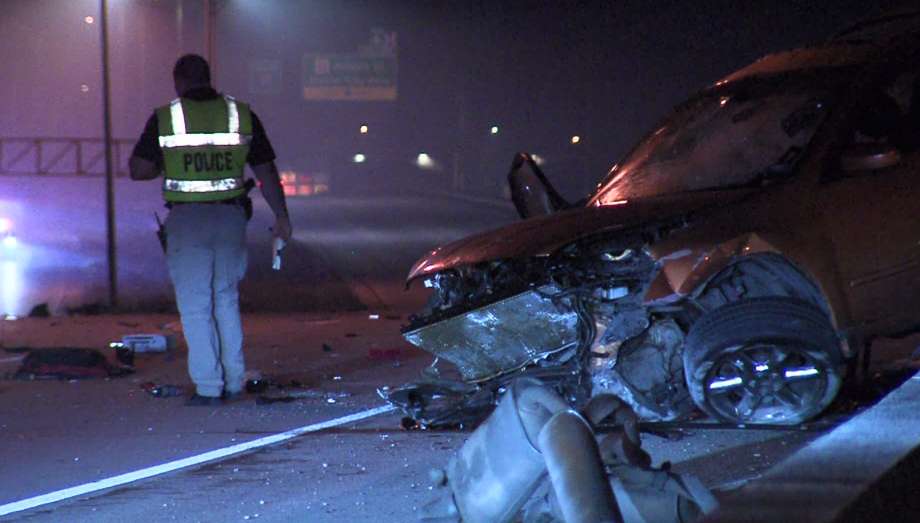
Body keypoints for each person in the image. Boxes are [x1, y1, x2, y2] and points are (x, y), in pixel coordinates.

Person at [129, 54, 292, 406]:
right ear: (208, 77)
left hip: (188, 222)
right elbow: (265, 171)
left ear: (179, 82)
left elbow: (138, 169)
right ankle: (234, 381)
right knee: (226, 300)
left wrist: (169, 164)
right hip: (231, 218)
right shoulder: (241, 114)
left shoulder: (165, 117)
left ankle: (208, 387)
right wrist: (282, 217)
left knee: (196, 305)